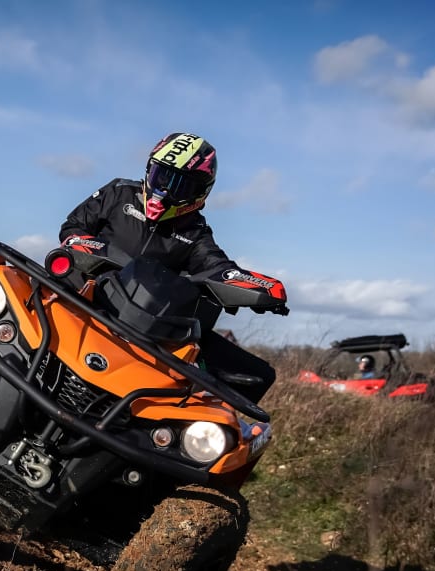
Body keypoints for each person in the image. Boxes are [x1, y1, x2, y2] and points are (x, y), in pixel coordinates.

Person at [59, 132, 280, 404]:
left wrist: (251, 287)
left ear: (200, 192)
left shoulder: (195, 231)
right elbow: (73, 227)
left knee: (257, 375)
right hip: (83, 298)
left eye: (182, 185)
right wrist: (88, 249)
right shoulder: (119, 193)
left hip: (142, 328)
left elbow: (217, 266)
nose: (166, 190)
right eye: (161, 177)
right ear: (149, 170)